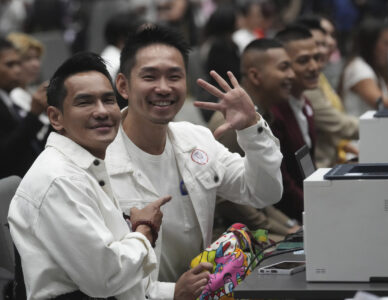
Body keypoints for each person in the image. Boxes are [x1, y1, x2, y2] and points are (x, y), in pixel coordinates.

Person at [106, 24, 283, 299]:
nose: (163, 88)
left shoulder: (197, 140)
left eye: (174, 76)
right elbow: (101, 271)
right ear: (123, 85)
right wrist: (171, 292)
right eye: (150, 76)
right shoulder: (101, 161)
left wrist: (252, 127)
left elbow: (264, 192)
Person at [8, 52, 175, 299]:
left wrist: (176, 292)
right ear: (55, 117)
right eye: (85, 102)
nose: (102, 111)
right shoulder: (59, 180)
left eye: (108, 100)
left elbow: (125, 284)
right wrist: (144, 231)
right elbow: (106, 278)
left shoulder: (86, 165)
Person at [209, 38, 300, 241]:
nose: (292, 76)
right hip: (231, 234)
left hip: (257, 222)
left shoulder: (266, 113)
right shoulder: (229, 123)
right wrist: (280, 232)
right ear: (255, 76)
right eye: (284, 68)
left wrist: (289, 225)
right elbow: (227, 199)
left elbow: (264, 187)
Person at [296, 16, 359, 168]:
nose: (331, 43)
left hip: (330, 161)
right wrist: (377, 125)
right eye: (319, 43)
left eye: (331, 36)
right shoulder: (308, 83)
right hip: (323, 166)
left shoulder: (319, 76)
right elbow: (337, 124)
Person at [273, 25, 319, 223]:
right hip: (290, 216)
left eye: (316, 58)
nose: (314, 67)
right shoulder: (275, 113)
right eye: (303, 61)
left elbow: (307, 166)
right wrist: (318, 206)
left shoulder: (305, 103)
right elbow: (283, 185)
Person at [0, 38, 47, 179]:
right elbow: (4, 156)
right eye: (10, 65)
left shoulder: (8, 97)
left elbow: (33, 145)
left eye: (19, 64)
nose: (18, 70)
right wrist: (33, 114)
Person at [339, 18, 388, 118]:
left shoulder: (366, 65)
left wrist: (386, 90)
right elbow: (382, 103)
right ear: (370, 44)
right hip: (361, 131)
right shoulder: (360, 69)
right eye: (385, 44)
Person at [7, 32, 51, 147]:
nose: (36, 64)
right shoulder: (10, 98)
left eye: (37, 58)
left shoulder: (32, 91)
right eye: (28, 59)